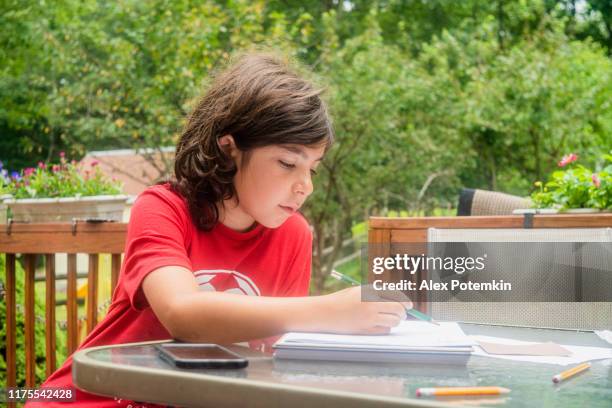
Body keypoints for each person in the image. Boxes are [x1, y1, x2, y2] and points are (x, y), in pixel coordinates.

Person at [28, 52, 410, 407]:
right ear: (229, 148)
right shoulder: (163, 208)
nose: (305, 186)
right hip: (95, 398)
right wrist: (329, 310)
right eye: (287, 163)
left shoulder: (294, 234)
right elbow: (183, 313)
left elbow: (272, 362)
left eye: (312, 168)